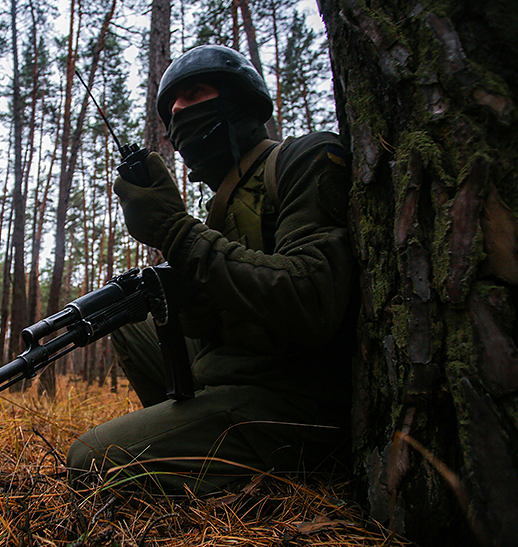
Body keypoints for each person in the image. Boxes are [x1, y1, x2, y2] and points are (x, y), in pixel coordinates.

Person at [67, 45, 357, 496]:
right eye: (172, 107)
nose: (178, 112)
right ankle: (188, 435)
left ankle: (232, 465)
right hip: (234, 374)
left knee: (92, 461)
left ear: (239, 99)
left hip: (296, 401)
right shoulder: (222, 205)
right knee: (127, 320)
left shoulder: (304, 158)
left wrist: (176, 231)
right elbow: (217, 318)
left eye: (194, 94)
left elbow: (314, 301)